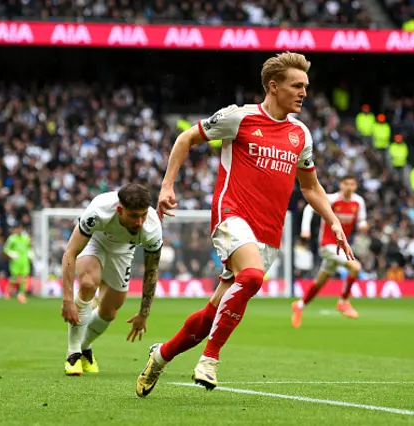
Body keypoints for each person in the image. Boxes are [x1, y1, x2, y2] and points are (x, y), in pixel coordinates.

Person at [136, 51, 353, 397]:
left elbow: (310, 187)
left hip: (269, 232)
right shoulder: (239, 118)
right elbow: (185, 139)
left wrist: (334, 222)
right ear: (273, 86)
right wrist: (167, 185)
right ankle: (210, 359)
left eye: (306, 86)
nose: (304, 93)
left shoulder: (301, 135)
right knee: (251, 277)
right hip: (232, 215)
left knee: (212, 315)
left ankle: (160, 356)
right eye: (297, 86)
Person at [60, 184, 163, 376]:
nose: (140, 222)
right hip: (95, 240)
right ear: (119, 210)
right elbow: (70, 253)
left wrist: (144, 313)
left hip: (124, 250)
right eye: (133, 216)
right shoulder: (98, 212)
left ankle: (85, 347)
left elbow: (151, 271)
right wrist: (67, 300)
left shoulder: (152, 228)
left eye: (143, 215)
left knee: (110, 311)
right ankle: (73, 354)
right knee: (88, 284)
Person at [292, 175, 367, 328]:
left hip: (341, 245)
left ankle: (299, 305)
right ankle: (343, 302)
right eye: (346, 183)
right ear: (340, 184)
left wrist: (363, 224)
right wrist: (305, 229)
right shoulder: (331, 199)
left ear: (356, 186)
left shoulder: (359, 202)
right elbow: (309, 207)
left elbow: (361, 220)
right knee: (355, 267)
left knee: (320, 281)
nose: (349, 187)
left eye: (352, 184)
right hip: (327, 244)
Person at [3, 223, 32, 303]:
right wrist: (11, 254)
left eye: (20, 228)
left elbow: (29, 247)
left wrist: (30, 253)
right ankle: (8, 291)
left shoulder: (25, 238)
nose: (19, 230)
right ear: (15, 230)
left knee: (24, 278)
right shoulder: (12, 239)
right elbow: (6, 249)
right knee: (14, 278)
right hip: (15, 262)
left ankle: (21, 294)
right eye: (17, 229)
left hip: (24, 261)